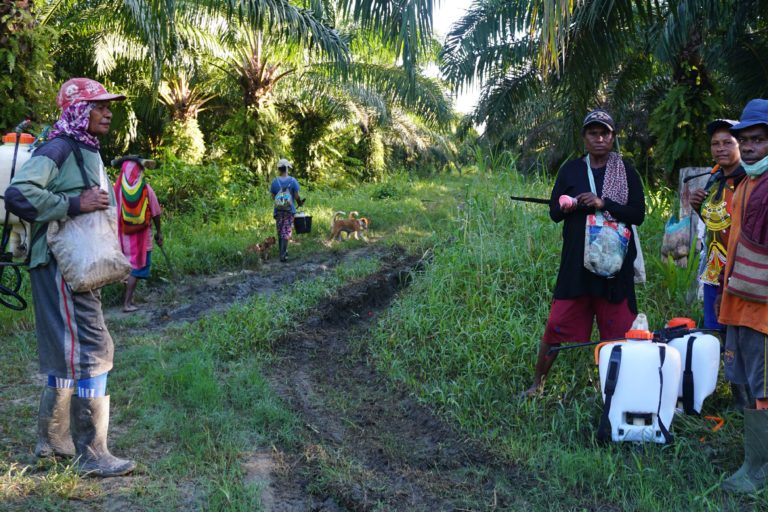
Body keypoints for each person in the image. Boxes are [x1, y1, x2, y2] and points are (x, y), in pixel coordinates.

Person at [4, 78, 136, 477]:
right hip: (61, 265)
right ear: (79, 111)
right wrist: (73, 204)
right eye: (99, 106)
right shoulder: (59, 148)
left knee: (66, 350)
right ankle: (92, 455)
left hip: (70, 265)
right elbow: (17, 194)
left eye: (108, 106)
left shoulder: (84, 148)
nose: (108, 112)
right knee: (93, 348)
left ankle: (53, 442)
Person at [523, 109, 646, 396]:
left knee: (620, 334)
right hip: (576, 266)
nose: (599, 138)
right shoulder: (571, 171)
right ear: (584, 138)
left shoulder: (626, 171)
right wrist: (569, 206)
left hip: (615, 268)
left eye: (605, 133)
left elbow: (637, 214)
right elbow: (554, 212)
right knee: (556, 325)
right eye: (593, 133)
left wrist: (604, 203)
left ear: (613, 137)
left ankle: (620, 394)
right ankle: (537, 384)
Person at [717, 99, 768, 493]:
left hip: (762, 307)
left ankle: (758, 470)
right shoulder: (746, 183)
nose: (749, 146)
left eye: (758, 139)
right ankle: (753, 461)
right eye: (744, 139)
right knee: (750, 386)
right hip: (739, 298)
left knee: (763, 388)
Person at [689, 120, 752, 410]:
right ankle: (738, 399)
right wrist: (696, 206)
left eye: (728, 142)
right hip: (715, 271)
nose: (721, 148)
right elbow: (718, 225)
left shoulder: (750, 180)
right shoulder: (715, 179)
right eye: (716, 143)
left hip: (741, 272)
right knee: (723, 335)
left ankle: (752, 401)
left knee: (745, 335)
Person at [113, 156, 162, 312]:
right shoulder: (145, 189)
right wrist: (159, 232)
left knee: (128, 268)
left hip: (122, 238)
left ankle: (130, 299)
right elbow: (156, 213)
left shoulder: (117, 189)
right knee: (137, 268)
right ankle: (127, 304)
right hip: (141, 239)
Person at [269, 158, 302, 262]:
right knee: (286, 232)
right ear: (287, 168)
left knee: (280, 231)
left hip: (278, 211)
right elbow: (296, 196)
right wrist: (299, 203)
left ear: (279, 169)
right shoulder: (293, 181)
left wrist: (281, 201)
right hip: (289, 211)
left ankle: (281, 253)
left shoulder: (275, 181)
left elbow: (273, 197)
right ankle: (284, 254)